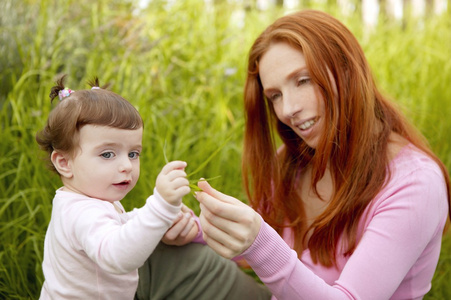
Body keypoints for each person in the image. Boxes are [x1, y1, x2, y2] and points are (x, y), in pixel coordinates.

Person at [196, 9, 451, 300]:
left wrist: (259, 243)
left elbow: (269, 252)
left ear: (346, 70)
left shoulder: (415, 183)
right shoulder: (294, 160)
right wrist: (195, 229)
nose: (288, 109)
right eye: (275, 96)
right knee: (166, 255)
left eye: (303, 80)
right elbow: (256, 250)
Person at [36, 75, 271, 300]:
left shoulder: (82, 200)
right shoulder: (82, 212)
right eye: (107, 154)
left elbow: (118, 227)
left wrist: (157, 218)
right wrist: (160, 207)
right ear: (64, 163)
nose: (126, 165)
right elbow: (117, 256)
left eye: (133, 153)